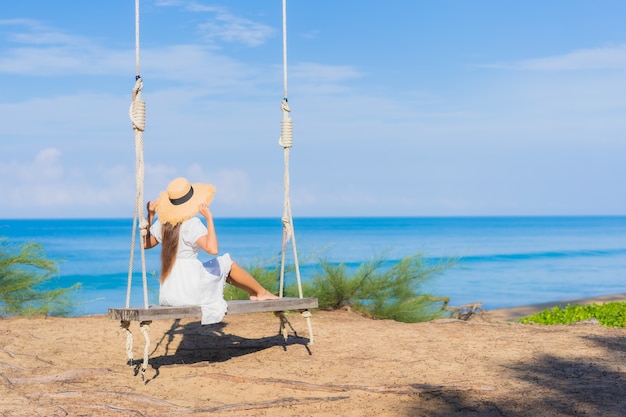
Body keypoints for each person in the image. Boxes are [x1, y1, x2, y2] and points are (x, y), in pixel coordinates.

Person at [143, 177, 278, 324]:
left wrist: (150, 216)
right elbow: (212, 249)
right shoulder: (192, 224)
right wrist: (209, 218)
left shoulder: (163, 224)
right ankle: (260, 292)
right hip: (191, 290)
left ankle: (254, 292)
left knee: (219, 270)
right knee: (228, 263)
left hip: (170, 293)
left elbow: (146, 244)